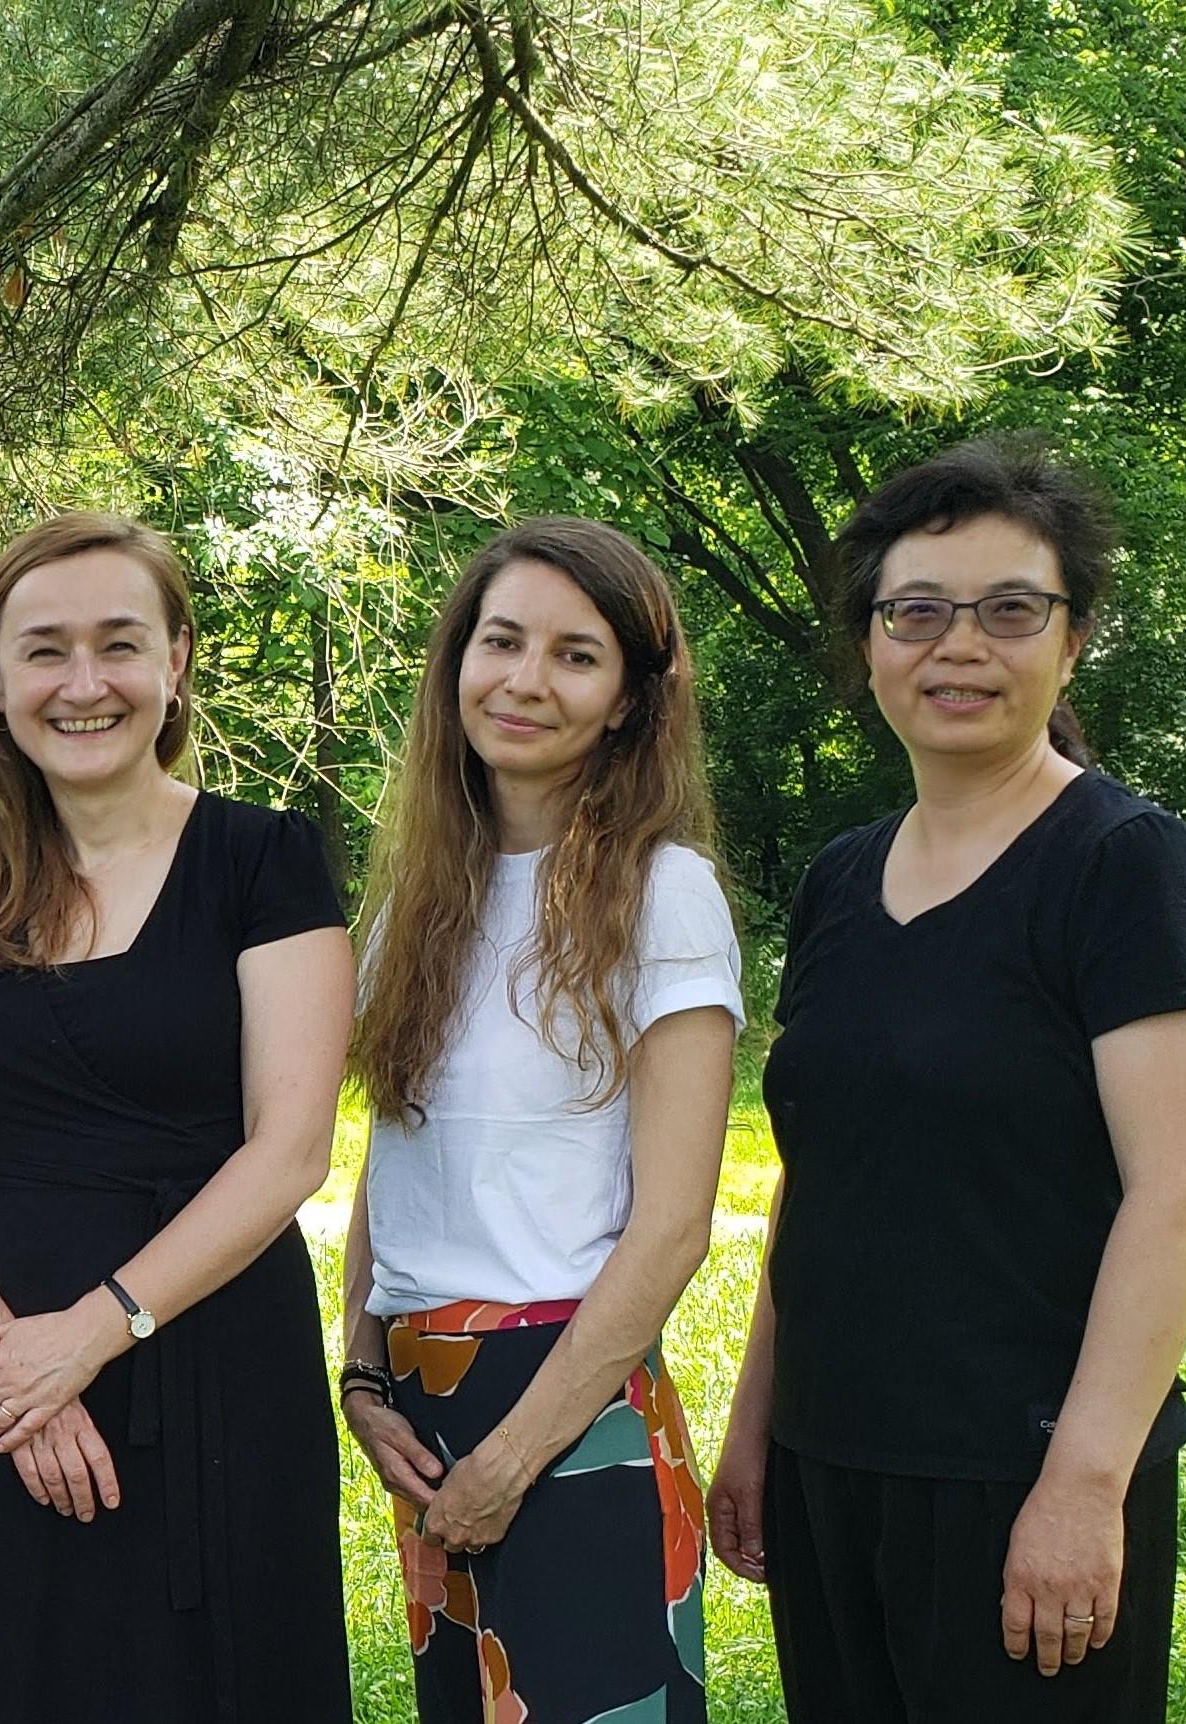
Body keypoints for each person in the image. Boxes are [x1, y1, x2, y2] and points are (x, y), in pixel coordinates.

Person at [707, 437, 1186, 1721]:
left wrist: (1081, 1486)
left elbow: (1185, 1189)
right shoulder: (844, 877)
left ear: (1071, 642)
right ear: (871, 646)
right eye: (918, 611)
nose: (961, 645)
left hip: (1022, 1478)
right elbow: (822, 1176)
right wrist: (760, 1421)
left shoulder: (1129, 869)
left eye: (1011, 609)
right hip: (830, 1461)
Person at [0, 510, 357, 1723]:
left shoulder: (263, 860)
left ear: (177, 660)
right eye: (43, 649)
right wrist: (7, 1366)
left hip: (210, 1376)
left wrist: (90, 1333)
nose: (82, 683)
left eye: (118, 644)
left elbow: (291, 1145)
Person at [335, 519, 740, 1724]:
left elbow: (673, 1227)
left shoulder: (664, 891)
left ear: (627, 701)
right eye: (500, 640)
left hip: (573, 1403)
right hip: (423, 1396)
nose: (523, 679)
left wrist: (513, 1456)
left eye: (575, 654)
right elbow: (395, 1154)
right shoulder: (417, 894)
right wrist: (359, 1368)